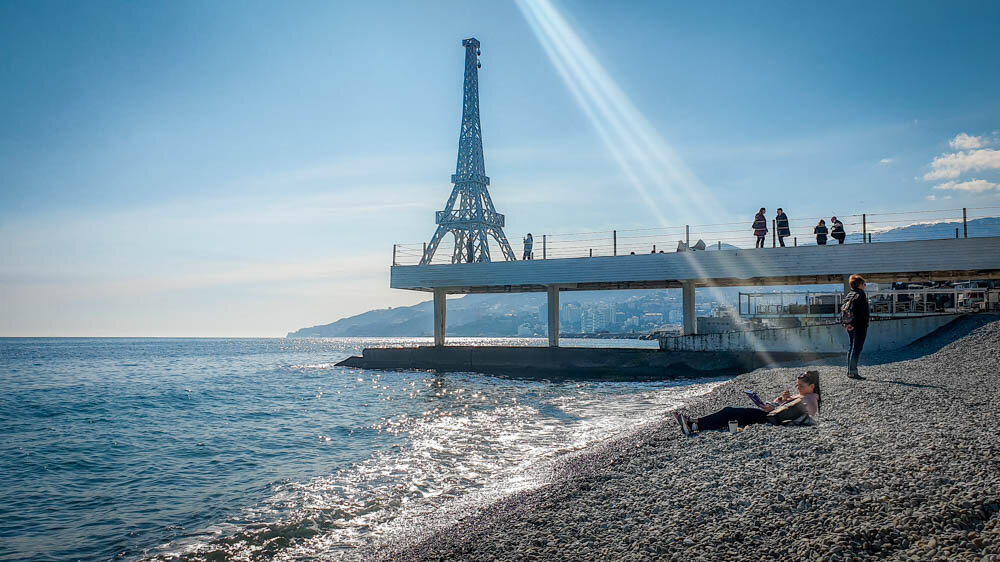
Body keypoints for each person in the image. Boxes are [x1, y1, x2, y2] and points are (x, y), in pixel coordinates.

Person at [673, 371, 821, 434]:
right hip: (768, 414)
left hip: (768, 418)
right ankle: (694, 423)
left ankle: (695, 424)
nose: (798, 388)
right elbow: (788, 408)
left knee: (730, 413)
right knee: (730, 414)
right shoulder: (804, 396)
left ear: (812, 386)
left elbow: (798, 416)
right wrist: (781, 400)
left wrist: (773, 408)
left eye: (801, 386)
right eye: (797, 385)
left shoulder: (811, 399)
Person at [842, 274, 870, 380]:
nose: (865, 286)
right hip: (859, 326)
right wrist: (856, 324)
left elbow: (844, 310)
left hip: (850, 325)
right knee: (857, 348)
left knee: (851, 347)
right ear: (860, 285)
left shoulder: (850, 295)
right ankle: (853, 372)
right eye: (864, 284)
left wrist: (847, 324)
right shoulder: (861, 295)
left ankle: (850, 371)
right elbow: (861, 313)